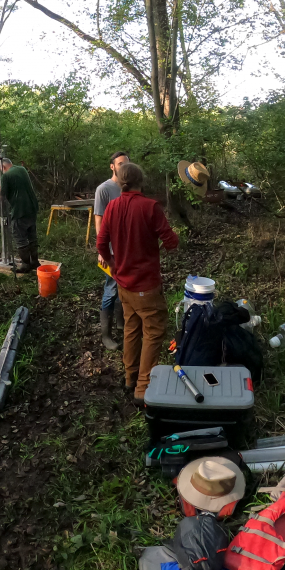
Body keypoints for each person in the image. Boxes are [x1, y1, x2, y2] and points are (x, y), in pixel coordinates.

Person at [97, 162, 179, 404]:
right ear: (140, 181)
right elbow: (172, 242)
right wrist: (158, 246)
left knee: (132, 329)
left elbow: (101, 243)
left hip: (123, 284)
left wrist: (113, 265)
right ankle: (143, 388)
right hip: (146, 286)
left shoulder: (112, 206)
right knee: (154, 332)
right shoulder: (150, 206)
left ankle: (130, 377)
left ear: (121, 181)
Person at [95, 151, 129, 351]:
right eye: (120, 164)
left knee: (123, 287)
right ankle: (106, 335)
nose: (124, 167)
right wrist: (102, 250)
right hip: (110, 250)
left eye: (127, 163)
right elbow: (99, 220)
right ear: (112, 166)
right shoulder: (104, 189)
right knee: (111, 288)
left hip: (126, 248)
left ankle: (120, 322)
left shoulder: (127, 187)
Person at [0, 158, 40, 273]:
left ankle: (25, 265)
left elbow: (2, 195)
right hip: (32, 207)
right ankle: (34, 262)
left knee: (20, 238)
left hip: (19, 210)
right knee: (32, 236)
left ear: (3, 167)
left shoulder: (6, 176)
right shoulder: (22, 169)